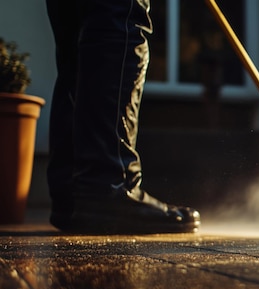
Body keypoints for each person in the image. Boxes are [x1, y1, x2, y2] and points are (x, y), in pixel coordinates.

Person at [46, 0, 200, 234]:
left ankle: (75, 196)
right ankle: (110, 184)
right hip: (105, 188)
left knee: (75, 26)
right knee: (120, 15)